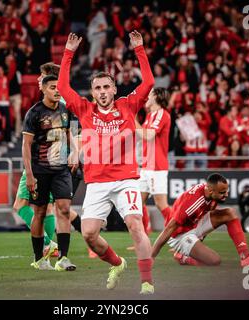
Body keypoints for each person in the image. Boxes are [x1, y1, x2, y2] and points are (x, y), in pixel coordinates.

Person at [57, 31, 155, 294]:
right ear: (93, 92)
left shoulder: (128, 105)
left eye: (106, 87)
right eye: (97, 88)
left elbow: (148, 82)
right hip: (97, 182)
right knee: (89, 234)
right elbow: (63, 88)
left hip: (126, 180)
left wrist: (139, 49)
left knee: (135, 223)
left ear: (114, 89)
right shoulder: (84, 109)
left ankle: (147, 283)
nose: (102, 92)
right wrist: (68, 53)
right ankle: (117, 263)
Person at [152, 173, 249, 267]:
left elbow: (205, 216)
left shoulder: (211, 193)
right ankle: (182, 257)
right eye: (222, 193)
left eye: (226, 191)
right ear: (210, 191)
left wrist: (200, 237)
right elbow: (169, 228)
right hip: (179, 235)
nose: (226, 195)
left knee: (230, 213)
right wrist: (151, 256)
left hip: (194, 225)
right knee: (214, 261)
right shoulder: (193, 202)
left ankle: (246, 257)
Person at [23, 75, 77, 271]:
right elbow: (26, 145)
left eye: (58, 87)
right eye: (53, 87)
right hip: (39, 170)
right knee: (39, 212)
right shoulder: (34, 113)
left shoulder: (66, 110)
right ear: (43, 89)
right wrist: (29, 174)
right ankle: (39, 258)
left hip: (61, 169)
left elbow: (71, 133)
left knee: (63, 208)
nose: (57, 90)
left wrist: (75, 152)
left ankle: (63, 259)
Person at [135, 87, 172, 234]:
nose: (146, 98)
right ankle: (142, 239)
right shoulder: (150, 115)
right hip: (146, 166)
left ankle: (181, 237)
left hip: (157, 167)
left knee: (161, 203)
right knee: (138, 203)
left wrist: (132, 119)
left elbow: (148, 135)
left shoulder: (162, 114)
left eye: (149, 95)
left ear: (156, 97)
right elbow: (141, 135)